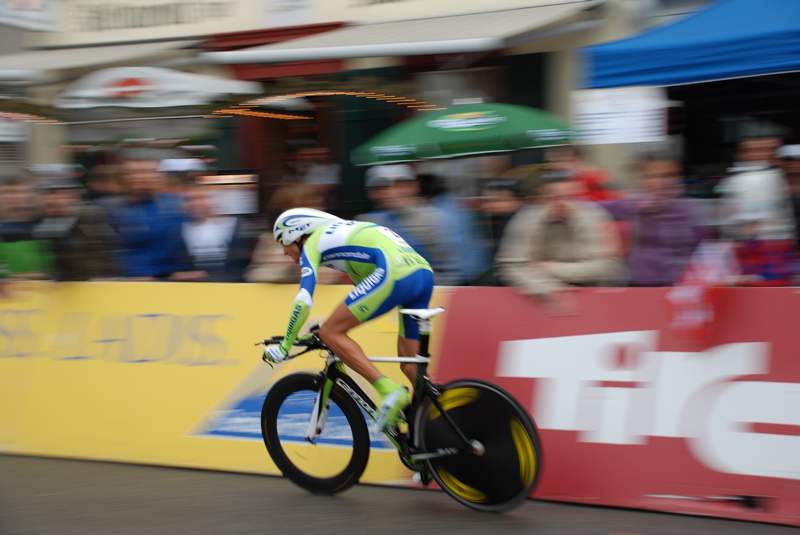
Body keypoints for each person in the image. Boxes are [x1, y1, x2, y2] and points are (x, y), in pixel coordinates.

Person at [263, 207, 435, 432]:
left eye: (283, 243)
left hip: (395, 271)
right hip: (422, 272)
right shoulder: (342, 236)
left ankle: (388, 389)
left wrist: (285, 346)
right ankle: (441, 424)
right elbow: (361, 302)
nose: (285, 252)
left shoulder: (313, 244)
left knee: (330, 332)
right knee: (412, 367)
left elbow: (303, 300)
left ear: (297, 235)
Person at [495, 172, 624, 315]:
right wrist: (548, 288)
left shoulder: (595, 216)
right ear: (542, 199)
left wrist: (551, 268)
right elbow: (511, 265)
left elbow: (607, 266)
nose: (562, 203)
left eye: (569, 197)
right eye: (554, 198)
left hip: (595, 293)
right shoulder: (526, 219)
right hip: (538, 294)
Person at [600, 154, 707, 286]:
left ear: (678, 178)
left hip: (682, 285)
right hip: (642, 283)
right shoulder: (632, 205)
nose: (658, 182)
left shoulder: (691, 208)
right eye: (650, 177)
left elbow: (704, 249)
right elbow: (591, 207)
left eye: (667, 176)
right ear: (640, 180)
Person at [356, 164, 465, 285]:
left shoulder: (437, 219)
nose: (390, 192)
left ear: (414, 187)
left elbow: (454, 269)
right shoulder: (366, 222)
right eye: (381, 187)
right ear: (370, 192)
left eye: (400, 186)